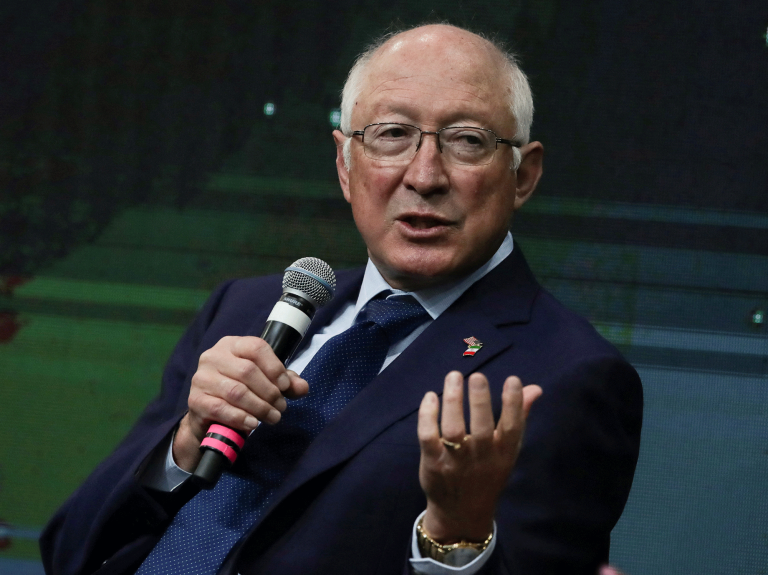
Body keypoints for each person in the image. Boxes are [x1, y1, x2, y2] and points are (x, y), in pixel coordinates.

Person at [40, 24, 642, 575]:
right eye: (392, 135)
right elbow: (71, 550)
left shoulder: (569, 376)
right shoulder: (245, 309)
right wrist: (181, 445)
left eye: (465, 140)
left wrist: (457, 535)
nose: (424, 174)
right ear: (345, 164)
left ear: (523, 175)